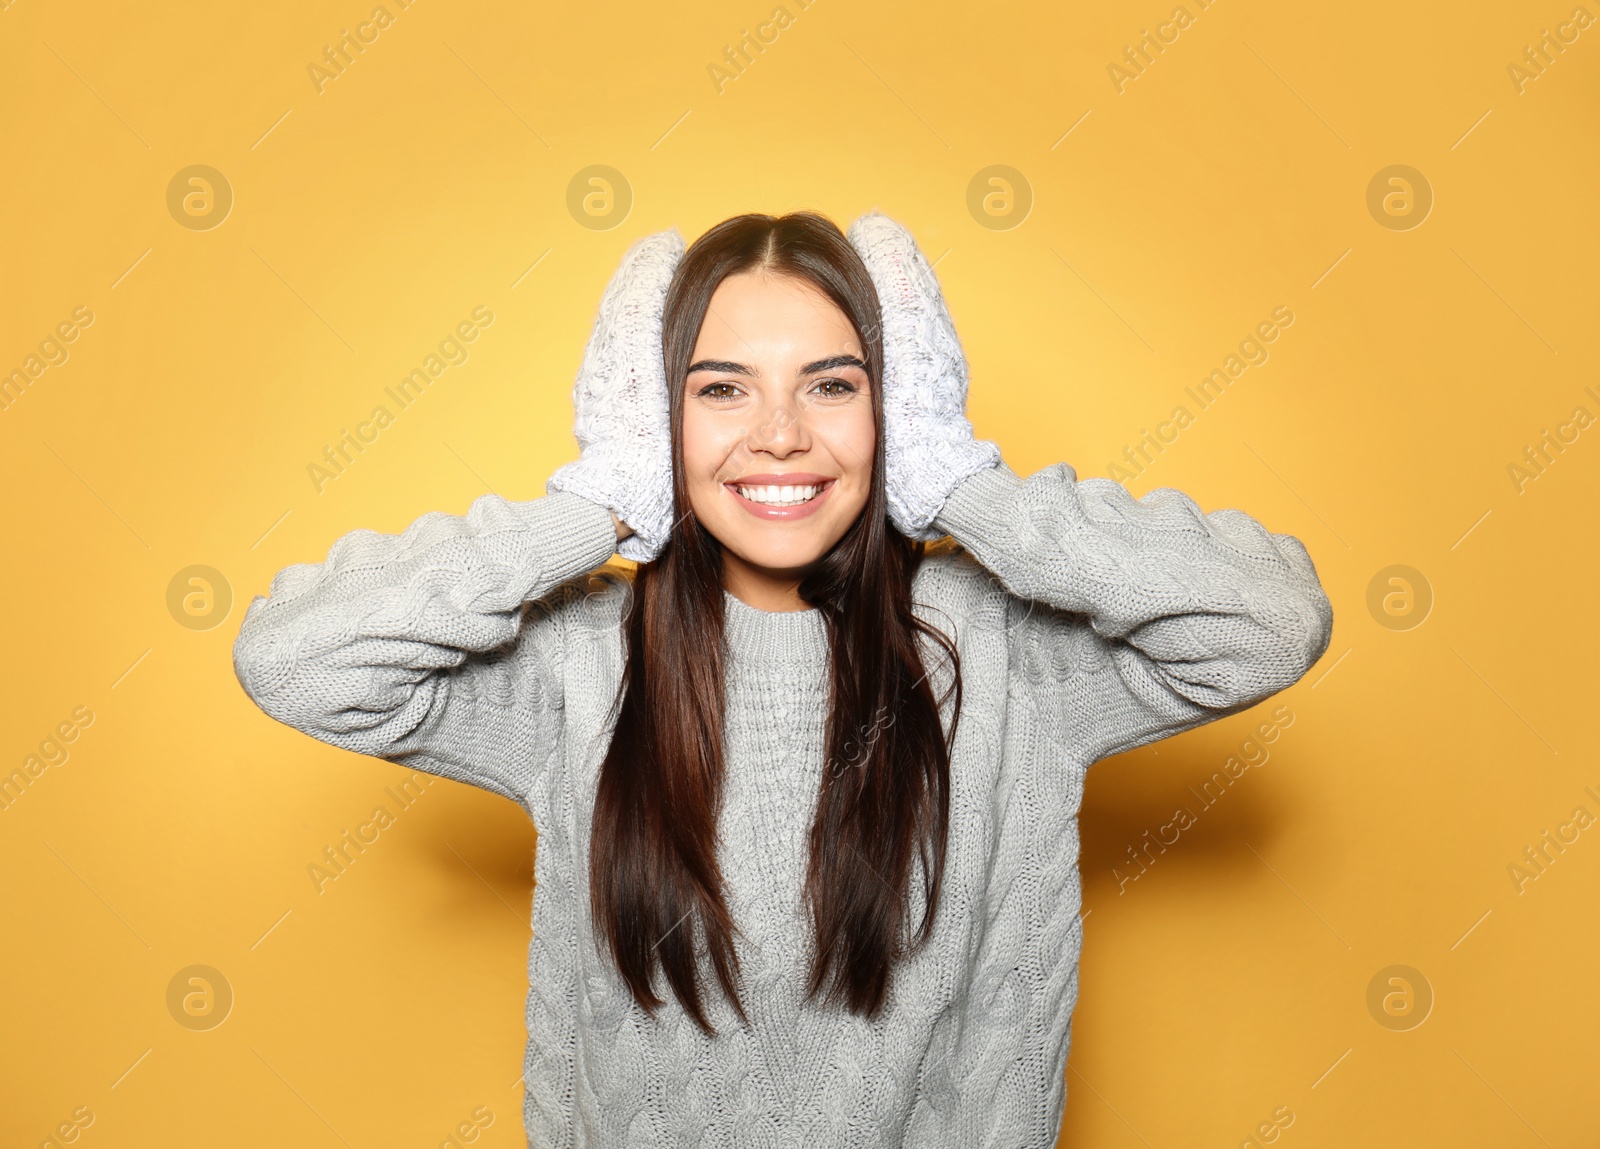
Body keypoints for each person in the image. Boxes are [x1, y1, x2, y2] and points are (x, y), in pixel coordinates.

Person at [232, 210, 1333, 1148]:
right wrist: (601, 500)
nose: (779, 436)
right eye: (720, 389)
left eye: (831, 385)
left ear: (896, 413)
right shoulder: (577, 664)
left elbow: (1268, 624)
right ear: (650, 418)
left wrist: (958, 480)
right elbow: (297, 659)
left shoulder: (1003, 649)